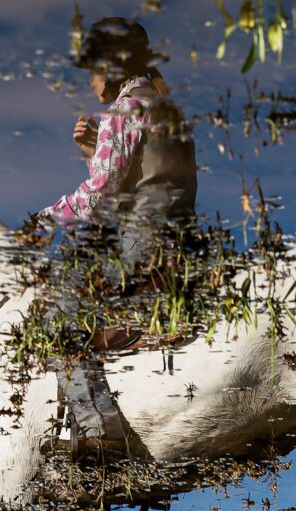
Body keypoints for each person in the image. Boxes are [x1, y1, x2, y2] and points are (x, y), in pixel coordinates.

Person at [37, 17, 197, 451]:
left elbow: (100, 195)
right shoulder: (162, 105)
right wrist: (93, 150)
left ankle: (98, 431)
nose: (90, 81)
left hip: (142, 246)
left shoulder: (125, 110)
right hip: (175, 240)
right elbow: (143, 182)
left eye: (92, 70)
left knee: (57, 317)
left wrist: (42, 221)